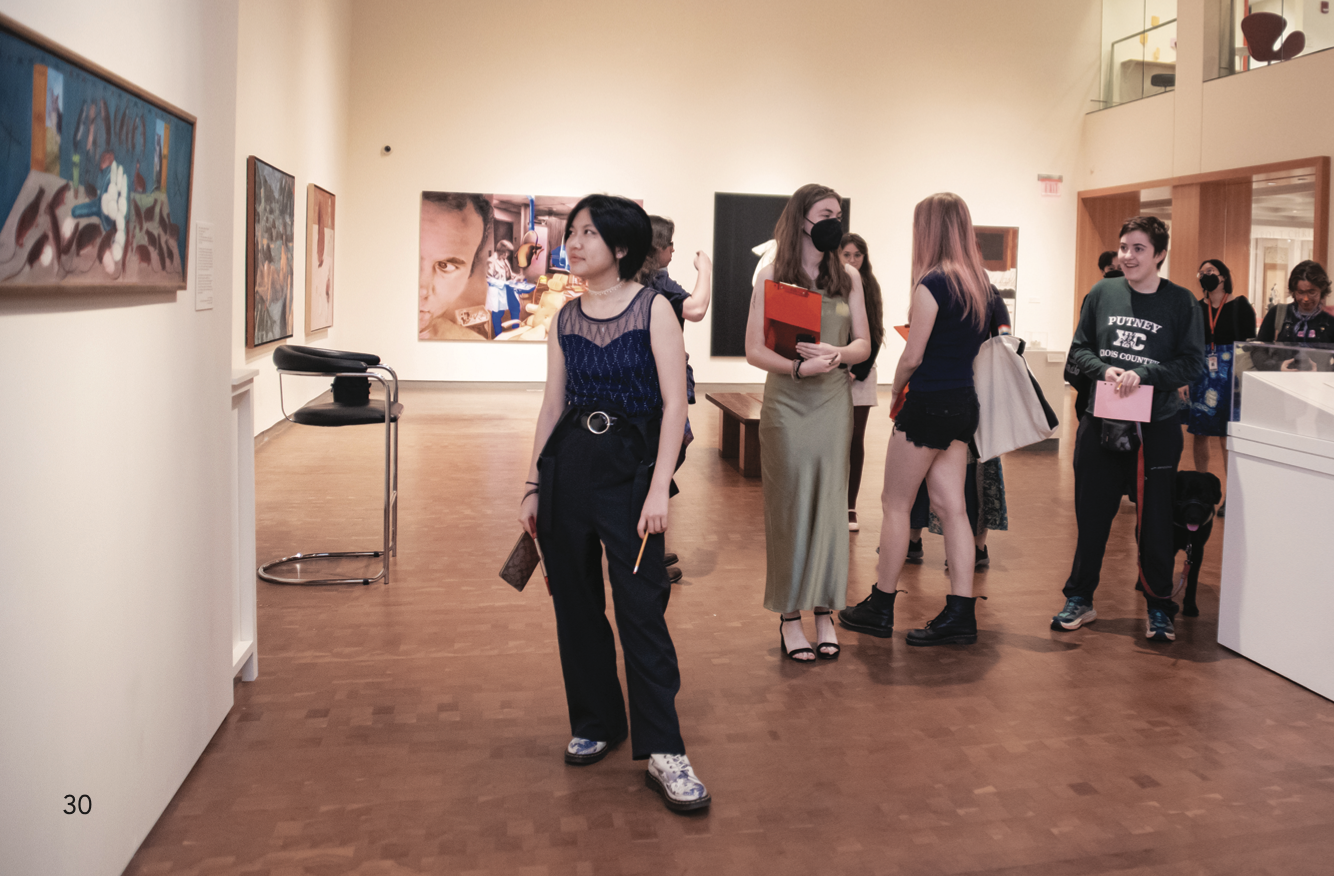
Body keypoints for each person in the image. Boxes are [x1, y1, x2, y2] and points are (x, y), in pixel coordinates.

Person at [517, 194, 708, 813]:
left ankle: (665, 749)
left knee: (641, 610)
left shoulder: (655, 310)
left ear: (621, 247)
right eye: (571, 232)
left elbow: (674, 407)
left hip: (631, 469)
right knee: (575, 605)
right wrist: (533, 484)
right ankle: (597, 720)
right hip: (569, 464)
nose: (572, 243)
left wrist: (658, 490)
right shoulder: (565, 318)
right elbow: (552, 404)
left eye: (588, 234)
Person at [840, 193, 999, 647]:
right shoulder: (980, 284)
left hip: (927, 404)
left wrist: (895, 391)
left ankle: (880, 605)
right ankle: (961, 612)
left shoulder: (932, 283)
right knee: (953, 509)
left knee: (895, 503)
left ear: (927, 230)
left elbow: (913, 355)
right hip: (962, 404)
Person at [1052, 215, 1205, 643]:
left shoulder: (1182, 302)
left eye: (1139, 249)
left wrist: (1146, 374)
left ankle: (1159, 606)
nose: (1128, 256)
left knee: (1155, 522)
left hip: (1156, 428)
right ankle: (1080, 598)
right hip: (1101, 422)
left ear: (1159, 254)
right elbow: (1079, 350)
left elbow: (1192, 363)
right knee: (1092, 517)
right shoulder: (1102, 293)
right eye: (1124, 247)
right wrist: (1104, 369)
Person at [746, 184, 870, 662]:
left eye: (838, 214)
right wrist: (798, 367)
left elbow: (863, 343)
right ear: (801, 219)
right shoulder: (772, 275)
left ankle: (824, 612)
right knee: (790, 506)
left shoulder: (848, 276)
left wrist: (837, 354)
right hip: (787, 404)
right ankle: (789, 616)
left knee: (829, 506)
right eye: (825, 213)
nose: (834, 221)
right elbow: (754, 349)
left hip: (832, 404)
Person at [637, 215, 713, 582]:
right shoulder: (656, 283)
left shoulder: (645, 281)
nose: (673, 250)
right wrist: (705, 269)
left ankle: (649, 547)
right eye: (669, 245)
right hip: (659, 386)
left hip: (650, 383)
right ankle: (644, 556)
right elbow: (696, 309)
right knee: (661, 461)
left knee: (658, 462)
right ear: (657, 248)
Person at [1184, 259, 1255, 494]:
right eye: (1201, 272)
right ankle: (1202, 487)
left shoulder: (1240, 305)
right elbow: (1189, 343)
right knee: (1200, 432)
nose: (1205, 275)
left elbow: (1250, 344)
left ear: (1223, 276)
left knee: (1227, 435)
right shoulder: (1196, 308)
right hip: (1202, 373)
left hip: (1231, 373)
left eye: (1210, 271)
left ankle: (1232, 493)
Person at [839, 233, 885, 533]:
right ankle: (830, 503)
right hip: (831, 372)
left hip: (861, 373)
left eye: (857, 255)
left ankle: (850, 506)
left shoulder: (870, 286)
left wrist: (856, 371)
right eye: (847, 254)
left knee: (855, 440)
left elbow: (876, 333)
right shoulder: (831, 284)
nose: (852, 260)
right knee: (833, 441)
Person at [419, 192, 493, 340]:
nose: (421, 291)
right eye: (410, 260)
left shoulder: (471, 345)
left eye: (445, 266)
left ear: (469, 274)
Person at [1253, 260, 1334, 368]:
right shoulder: (1277, 313)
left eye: (1312, 292)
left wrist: (1322, 370)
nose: (1306, 298)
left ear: (1322, 291)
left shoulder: (1330, 321)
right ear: (1293, 291)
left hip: (1317, 379)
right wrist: (1278, 366)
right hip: (1280, 377)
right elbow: (1257, 350)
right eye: (1300, 292)